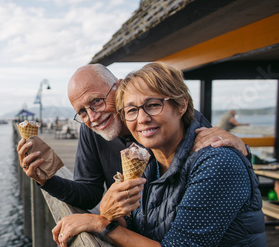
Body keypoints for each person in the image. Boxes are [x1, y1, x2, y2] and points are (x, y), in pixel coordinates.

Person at [52, 62, 279, 247]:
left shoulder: (215, 161)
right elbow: (139, 225)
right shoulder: (151, 163)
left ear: (181, 105)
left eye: (153, 105)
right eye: (132, 110)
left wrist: (99, 223)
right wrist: (111, 211)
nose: (142, 118)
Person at [17, 64, 250, 210]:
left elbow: (225, 171)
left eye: (97, 101)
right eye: (82, 112)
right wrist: (46, 180)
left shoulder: (171, 122)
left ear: (118, 88)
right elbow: (89, 193)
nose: (93, 116)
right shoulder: (91, 130)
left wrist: (239, 148)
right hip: (138, 244)